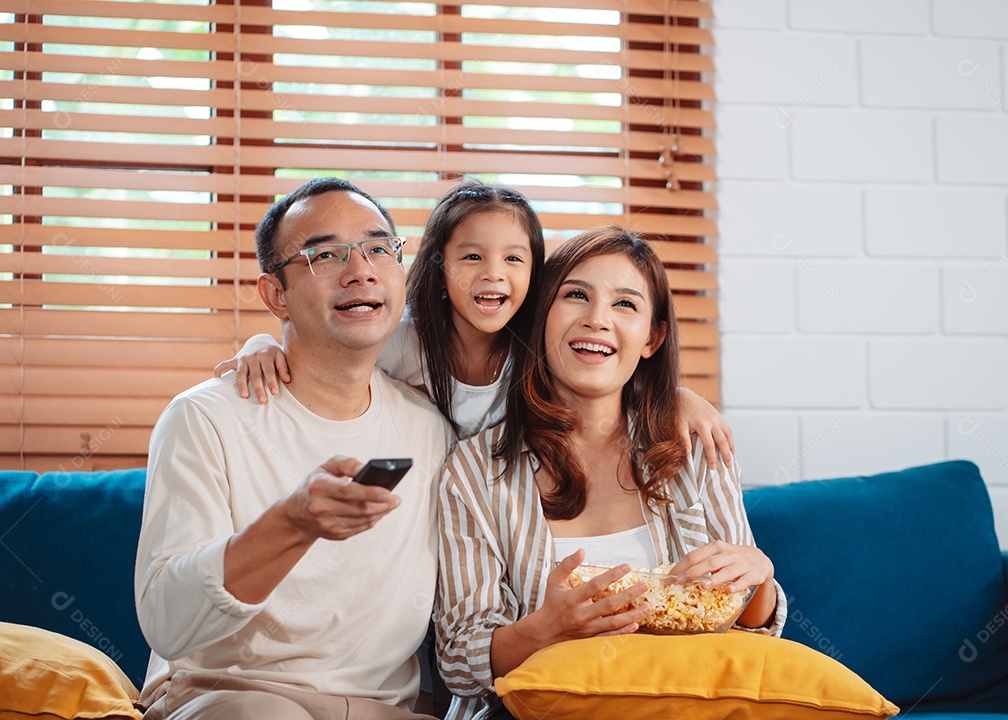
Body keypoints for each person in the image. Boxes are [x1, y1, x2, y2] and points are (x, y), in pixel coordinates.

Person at [135, 177, 454, 720]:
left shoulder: (430, 427)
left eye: (379, 248)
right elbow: (168, 623)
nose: (361, 271)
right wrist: (293, 523)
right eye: (325, 255)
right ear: (275, 295)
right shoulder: (204, 418)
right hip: (232, 696)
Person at [436, 226, 787, 720]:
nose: (597, 319)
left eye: (625, 304)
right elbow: (458, 661)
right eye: (576, 295)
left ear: (652, 338)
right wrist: (544, 631)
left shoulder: (695, 449)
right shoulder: (472, 471)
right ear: (542, 316)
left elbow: (751, 633)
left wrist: (760, 579)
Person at [214, 180, 737, 467]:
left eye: (514, 259)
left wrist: (676, 396)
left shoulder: (539, 346)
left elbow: (603, 380)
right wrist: (262, 342)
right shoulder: (405, 339)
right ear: (439, 267)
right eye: (471, 258)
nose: (493, 274)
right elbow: (332, 355)